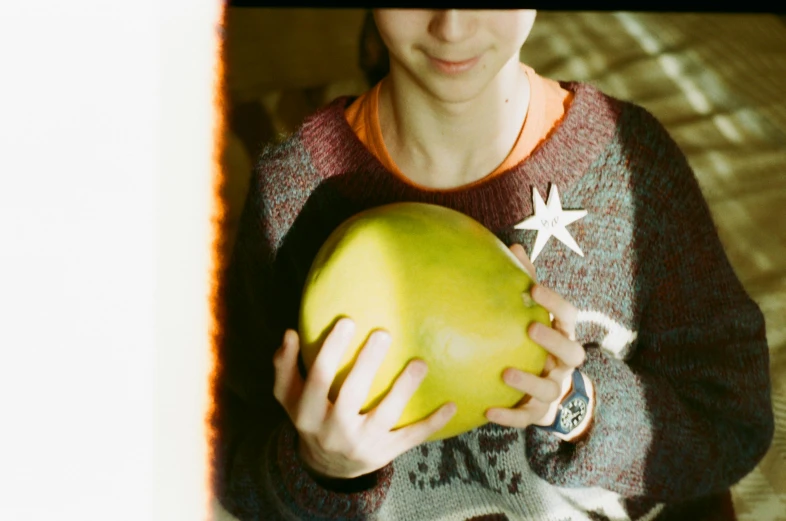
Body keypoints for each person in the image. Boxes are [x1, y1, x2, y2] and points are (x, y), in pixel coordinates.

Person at [212, 9, 774, 521]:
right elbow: (225, 460)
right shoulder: (294, 195)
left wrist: (578, 406)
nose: (452, 26)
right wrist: (320, 469)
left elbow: (733, 425)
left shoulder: (632, 167)